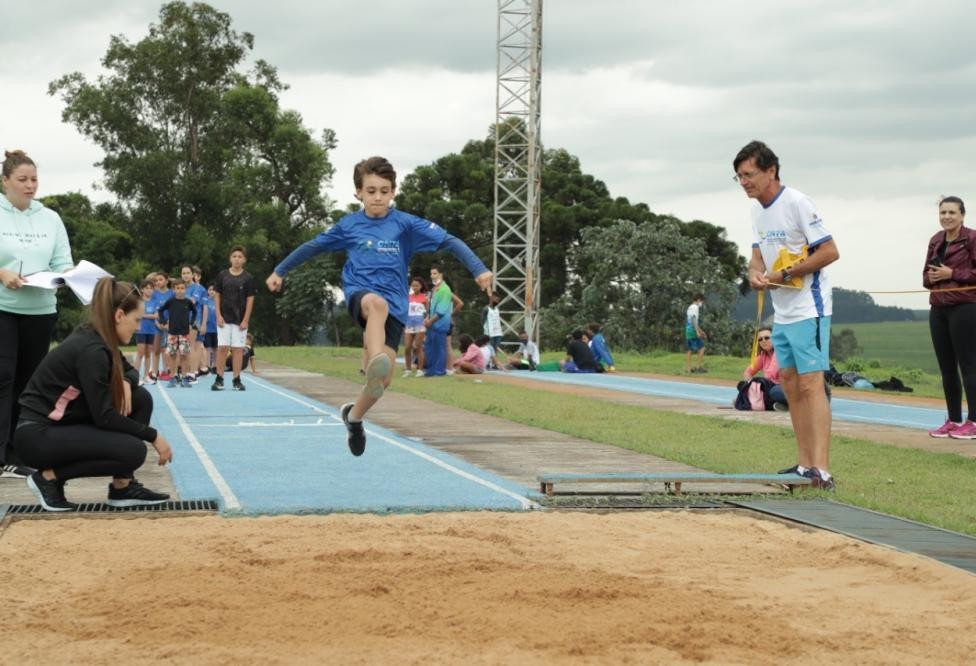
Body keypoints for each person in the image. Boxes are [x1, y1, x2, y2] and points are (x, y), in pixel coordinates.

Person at [265, 156, 491, 456]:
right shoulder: (349, 225)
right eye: (371, 191)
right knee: (376, 304)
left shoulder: (406, 225)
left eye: (384, 191)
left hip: (396, 307)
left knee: (381, 383)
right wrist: (280, 270)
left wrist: (478, 268)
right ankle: (372, 360)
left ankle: (354, 417)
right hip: (362, 295)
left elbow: (449, 241)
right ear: (358, 192)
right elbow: (313, 246)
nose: (377, 197)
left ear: (393, 191)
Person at [14, 278, 173, 511]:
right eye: (136, 320)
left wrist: (126, 381)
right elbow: (104, 416)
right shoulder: (92, 350)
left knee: (140, 399)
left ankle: (123, 487)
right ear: (119, 315)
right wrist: (153, 436)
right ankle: (48, 478)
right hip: (37, 435)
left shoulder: (99, 338)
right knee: (133, 451)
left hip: (60, 423)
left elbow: (129, 370)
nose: (138, 327)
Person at [737, 139, 840, 490]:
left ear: (771, 171)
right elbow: (757, 256)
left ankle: (822, 470)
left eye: (749, 174)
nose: (744, 182)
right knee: (792, 385)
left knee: (813, 384)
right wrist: (755, 274)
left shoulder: (797, 203)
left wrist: (785, 274)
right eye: (738, 177)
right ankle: (804, 464)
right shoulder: (756, 210)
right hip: (782, 312)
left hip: (809, 308)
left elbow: (829, 251)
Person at [0, 150, 75, 480]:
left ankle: (18, 451)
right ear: (5, 182)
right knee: (2, 377)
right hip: (3, 306)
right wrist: (2, 273)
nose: (30, 186)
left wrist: (68, 276)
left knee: (28, 383)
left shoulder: (51, 218)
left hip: (41, 309)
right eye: (23, 180)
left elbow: (63, 262)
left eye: (34, 180)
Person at [923, 196, 976, 439]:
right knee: (947, 368)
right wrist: (932, 278)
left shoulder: (972, 238)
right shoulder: (935, 240)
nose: (946, 216)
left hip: (965, 306)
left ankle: (973, 422)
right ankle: (953, 420)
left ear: (962, 215)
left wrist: (952, 272)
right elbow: (925, 276)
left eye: (952, 212)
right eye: (943, 212)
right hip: (938, 308)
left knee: (969, 365)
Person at [213, 246, 256, 392]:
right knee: (222, 348)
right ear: (230, 258)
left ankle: (236, 379)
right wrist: (218, 315)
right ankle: (219, 379)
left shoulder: (248, 278)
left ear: (244, 260)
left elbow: (250, 300)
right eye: (234, 256)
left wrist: (245, 320)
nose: (237, 259)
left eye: (240, 256)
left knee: (237, 349)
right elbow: (217, 295)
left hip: (240, 320)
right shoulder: (222, 275)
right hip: (224, 319)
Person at [157, 279, 197, 387]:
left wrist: (192, 323)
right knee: (172, 356)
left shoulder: (188, 302)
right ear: (174, 289)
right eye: (178, 288)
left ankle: (184, 378)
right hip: (172, 333)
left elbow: (195, 311)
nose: (180, 291)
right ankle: (173, 378)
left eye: (182, 288)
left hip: (184, 333)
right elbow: (161, 310)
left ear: (185, 289)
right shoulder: (171, 301)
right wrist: (163, 321)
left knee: (184, 356)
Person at [740, 327, 788, 410]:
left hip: (789, 387)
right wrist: (750, 385)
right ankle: (782, 405)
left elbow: (770, 375)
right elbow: (748, 372)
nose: (763, 341)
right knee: (742, 386)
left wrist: (757, 386)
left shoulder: (780, 351)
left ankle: (796, 404)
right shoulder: (763, 356)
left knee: (775, 392)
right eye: (760, 339)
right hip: (771, 387)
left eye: (767, 338)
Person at [424, 265, 456, 377]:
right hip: (432, 324)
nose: (432, 276)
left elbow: (441, 311)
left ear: (441, 274)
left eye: (435, 273)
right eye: (431, 273)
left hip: (440, 324)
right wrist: (427, 317)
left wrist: (430, 321)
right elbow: (431, 308)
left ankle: (439, 371)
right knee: (429, 348)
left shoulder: (445, 290)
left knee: (440, 348)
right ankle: (430, 371)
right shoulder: (434, 289)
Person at [134, 279, 159, 384]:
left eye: (151, 288)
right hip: (141, 330)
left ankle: (146, 377)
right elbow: (137, 315)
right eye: (147, 288)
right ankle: (135, 377)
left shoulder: (155, 301)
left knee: (148, 354)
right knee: (140, 354)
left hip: (151, 330)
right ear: (142, 290)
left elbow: (156, 316)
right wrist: (149, 316)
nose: (149, 290)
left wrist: (143, 315)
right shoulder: (139, 301)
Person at [403, 276, 427, 377]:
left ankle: (420, 370)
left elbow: (427, 313)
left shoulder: (424, 298)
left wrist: (426, 322)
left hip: (420, 324)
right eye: (413, 285)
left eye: (416, 285)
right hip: (409, 324)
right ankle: (408, 370)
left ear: (421, 286)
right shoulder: (408, 297)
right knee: (407, 347)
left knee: (418, 347)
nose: (414, 287)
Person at [684, 294, 707, 373]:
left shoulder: (690, 307)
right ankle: (698, 367)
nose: (701, 303)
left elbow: (692, 321)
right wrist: (697, 332)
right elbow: (694, 319)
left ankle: (688, 368)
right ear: (698, 300)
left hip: (688, 330)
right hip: (693, 330)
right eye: (701, 301)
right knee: (702, 348)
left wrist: (701, 331)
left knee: (689, 350)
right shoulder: (695, 307)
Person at [482, 293, 504, 367]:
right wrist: (485, 331)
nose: (497, 301)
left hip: (498, 332)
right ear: (491, 298)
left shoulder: (497, 309)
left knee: (495, 349)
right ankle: (487, 363)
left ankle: (494, 364)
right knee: (489, 349)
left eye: (498, 300)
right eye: (496, 299)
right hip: (489, 333)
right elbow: (482, 321)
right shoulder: (486, 309)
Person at [203, 283, 219, 373]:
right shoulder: (205, 302)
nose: (212, 291)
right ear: (207, 291)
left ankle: (215, 366)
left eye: (213, 290)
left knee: (216, 348)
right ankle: (208, 365)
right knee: (208, 348)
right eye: (210, 289)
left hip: (217, 329)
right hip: (208, 329)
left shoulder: (219, 302)